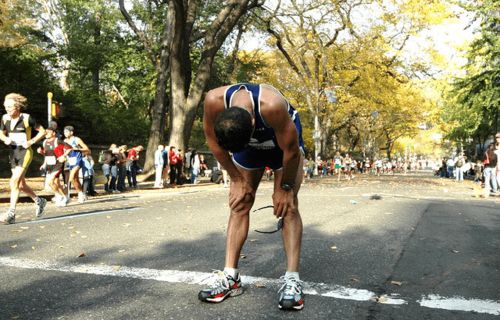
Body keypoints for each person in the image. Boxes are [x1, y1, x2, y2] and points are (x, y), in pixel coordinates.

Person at [199, 83, 305, 311]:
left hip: (282, 147)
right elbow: (213, 143)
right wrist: (237, 179)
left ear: (254, 123)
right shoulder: (213, 101)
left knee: (288, 207)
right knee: (240, 203)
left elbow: (292, 152)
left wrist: (285, 187)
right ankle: (230, 277)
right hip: (247, 148)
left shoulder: (272, 106)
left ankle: (292, 279)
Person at [0, 93, 47, 224]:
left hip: (25, 152)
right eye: (6, 107)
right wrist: (5, 139)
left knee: (13, 182)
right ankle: (39, 200)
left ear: (18, 107)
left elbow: (43, 131)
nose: (7, 110)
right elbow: (1, 133)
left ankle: (11, 213)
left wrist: (31, 141)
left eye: (10, 107)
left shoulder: (27, 118)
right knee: (20, 184)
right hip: (13, 153)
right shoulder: (4, 118)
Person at [39, 126, 67, 206]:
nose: (46, 133)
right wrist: (43, 161)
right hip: (49, 164)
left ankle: (58, 196)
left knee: (50, 182)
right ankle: (64, 197)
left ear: (54, 133)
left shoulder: (57, 141)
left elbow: (69, 148)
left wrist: (63, 156)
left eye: (48, 132)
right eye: (45, 132)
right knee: (56, 183)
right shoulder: (44, 142)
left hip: (58, 164)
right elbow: (46, 154)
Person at [63, 125, 90, 203]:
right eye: (64, 132)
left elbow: (86, 148)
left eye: (67, 131)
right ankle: (81, 194)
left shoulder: (76, 139)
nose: (65, 133)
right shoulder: (64, 141)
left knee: (71, 178)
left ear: (71, 132)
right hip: (69, 161)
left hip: (78, 160)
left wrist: (77, 148)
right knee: (75, 179)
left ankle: (66, 197)